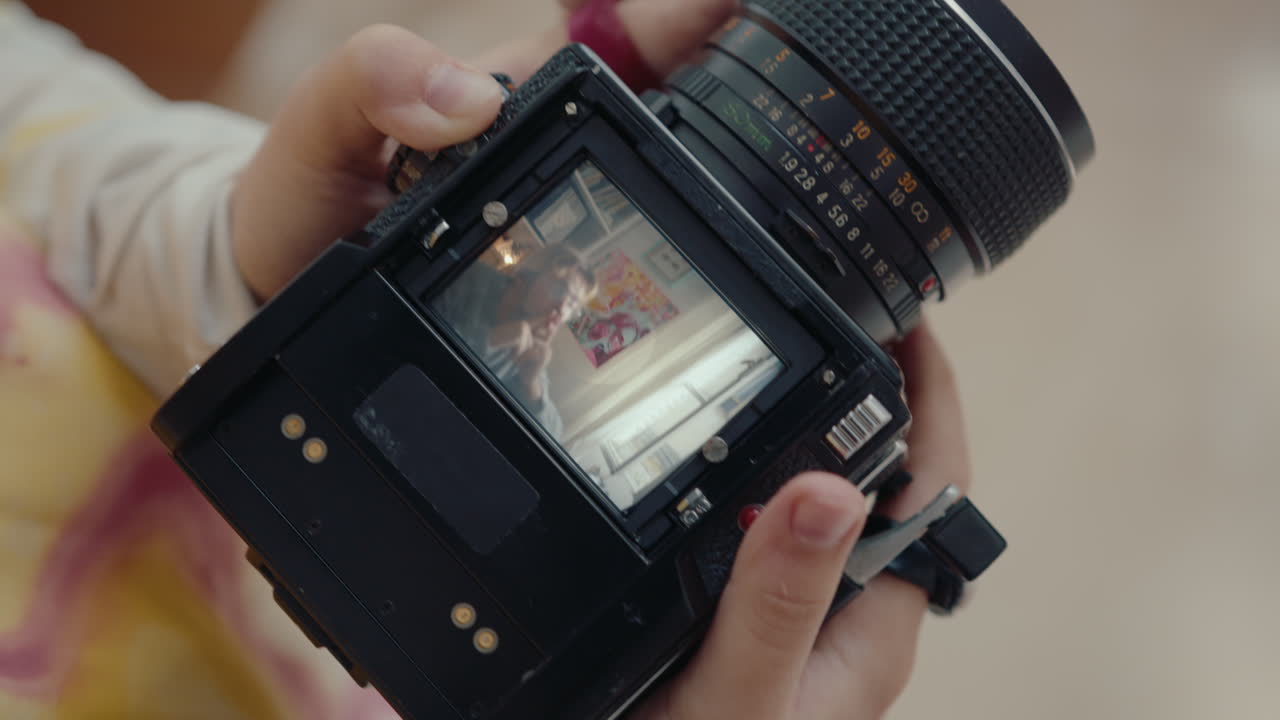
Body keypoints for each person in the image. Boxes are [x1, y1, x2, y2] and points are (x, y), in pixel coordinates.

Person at [0, 0, 977, 718]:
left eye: (569, 307)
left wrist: (242, 257)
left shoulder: (536, 367)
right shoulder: (494, 309)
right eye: (557, 295)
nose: (558, 311)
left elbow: (55, 155)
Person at [434, 242, 596, 439]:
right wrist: (492, 339)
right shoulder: (469, 276)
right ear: (528, 276)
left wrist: (531, 383)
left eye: (572, 304)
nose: (561, 310)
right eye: (560, 289)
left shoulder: (531, 351)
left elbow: (552, 436)